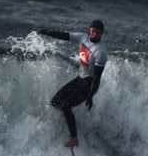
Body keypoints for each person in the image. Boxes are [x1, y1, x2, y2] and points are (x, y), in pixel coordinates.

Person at [38, 19, 108, 148]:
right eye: (93, 31)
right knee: (55, 102)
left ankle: (74, 138)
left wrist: (91, 95)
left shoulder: (101, 52)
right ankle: (69, 121)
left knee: (66, 106)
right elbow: (64, 35)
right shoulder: (83, 38)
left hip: (89, 84)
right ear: (89, 30)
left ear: (101, 34)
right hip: (80, 78)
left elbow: (97, 77)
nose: (94, 34)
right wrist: (48, 33)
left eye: (98, 32)